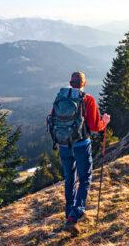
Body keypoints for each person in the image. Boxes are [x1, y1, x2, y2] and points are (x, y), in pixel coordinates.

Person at [48, 71, 110, 234]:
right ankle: (74, 217)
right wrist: (105, 121)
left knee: (69, 178)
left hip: (63, 144)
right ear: (84, 83)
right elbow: (96, 127)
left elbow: (52, 118)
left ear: (70, 82)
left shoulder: (60, 97)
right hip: (81, 144)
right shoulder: (87, 99)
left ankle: (69, 214)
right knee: (85, 179)